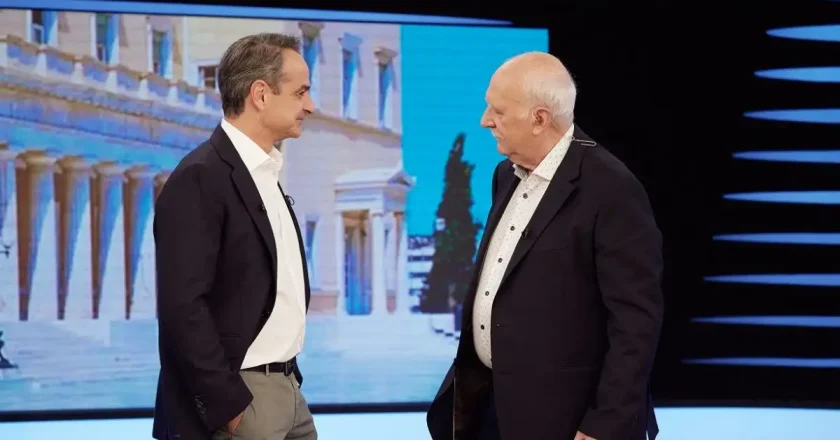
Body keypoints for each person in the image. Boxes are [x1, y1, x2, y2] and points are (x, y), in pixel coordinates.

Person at [426, 52, 664, 440]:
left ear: (539, 119)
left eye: (498, 111)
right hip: (492, 407)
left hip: (567, 419)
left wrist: (605, 425)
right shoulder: (505, 175)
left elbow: (636, 322)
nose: (485, 120)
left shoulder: (611, 187)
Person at [152, 33, 316, 440]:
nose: (310, 106)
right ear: (260, 94)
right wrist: (228, 408)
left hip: (287, 389)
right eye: (300, 93)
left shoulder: (266, 173)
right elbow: (182, 308)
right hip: (242, 401)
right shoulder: (200, 176)